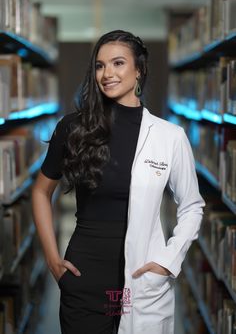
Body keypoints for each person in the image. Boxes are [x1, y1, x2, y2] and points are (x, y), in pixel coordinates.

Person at [31, 29, 205, 334]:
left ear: (139, 70)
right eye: (100, 65)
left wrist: (168, 260)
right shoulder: (74, 127)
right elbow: (41, 191)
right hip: (85, 278)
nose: (107, 73)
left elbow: (192, 206)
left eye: (118, 63)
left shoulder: (169, 137)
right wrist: (52, 259)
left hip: (141, 280)